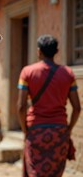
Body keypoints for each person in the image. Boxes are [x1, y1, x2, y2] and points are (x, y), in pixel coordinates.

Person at [18, 34, 81, 177]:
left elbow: (21, 106)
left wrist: (25, 130)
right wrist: (69, 129)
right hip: (59, 131)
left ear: (39, 51)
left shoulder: (27, 72)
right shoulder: (68, 74)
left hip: (35, 131)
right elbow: (77, 108)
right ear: (57, 51)